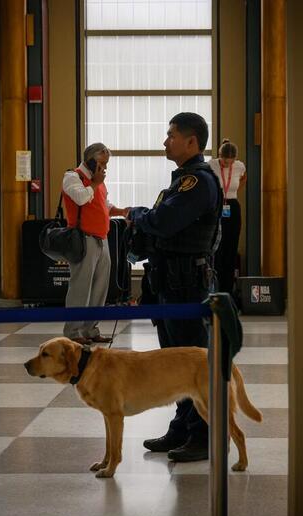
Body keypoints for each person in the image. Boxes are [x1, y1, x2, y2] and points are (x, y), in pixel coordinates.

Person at [127, 112, 223, 463]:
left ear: (191, 141)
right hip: (170, 281)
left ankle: (204, 435)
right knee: (174, 364)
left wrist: (136, 215)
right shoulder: (182, 180)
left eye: (170, 135)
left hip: (188, 285)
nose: (165, 141)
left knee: (193, 365)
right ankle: (182, 427)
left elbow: (164, 222)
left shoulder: (198, 182)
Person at [62, 143, 128, 344]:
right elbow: (81, 199)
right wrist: (95, 183)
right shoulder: (72, 177)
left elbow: (103, 204)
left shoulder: (97, 182)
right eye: (101, 163)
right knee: (80, 287)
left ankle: (91, 329)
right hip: (83, 239)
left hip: (102, 238)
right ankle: (73, 332)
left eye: (106, 164)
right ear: (90, 160)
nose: (104, 168)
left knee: (100, 287)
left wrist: (121, 211)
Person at [208, 139, 247, 296]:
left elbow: (243, 178)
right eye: (225, 162)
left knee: (231, 249)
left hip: (232, 207)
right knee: (218, 249)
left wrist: (233, 193)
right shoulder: (211, 165)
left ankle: (227, 290)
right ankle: (214, 289)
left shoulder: (240, 166)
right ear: (219, 156)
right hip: (217, 206)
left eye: (231, 162)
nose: (227, 165)